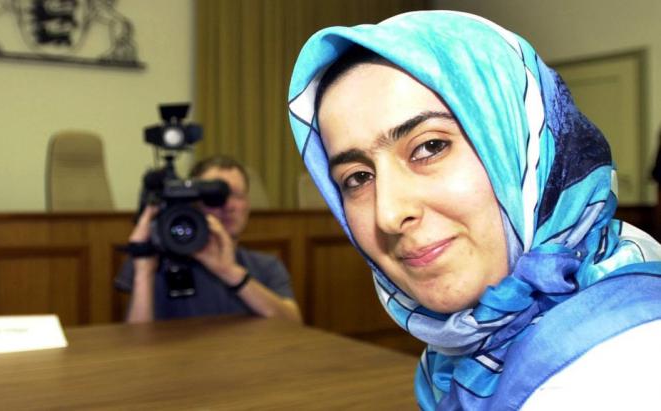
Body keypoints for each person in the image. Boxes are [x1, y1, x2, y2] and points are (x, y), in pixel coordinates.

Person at [288, 11, 661, 410]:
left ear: (523, 149)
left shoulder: (623, 366)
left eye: (430, 147)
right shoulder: (468, 350)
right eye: (358, 178)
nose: (388, 214)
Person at [116, 155, 301, 324]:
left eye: (237, 195)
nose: (228, 205)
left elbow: (293, 324)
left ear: (248, 205)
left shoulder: (265, 266)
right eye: (214, 197)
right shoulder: (157, 266)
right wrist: (144, 272)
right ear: (192, 204)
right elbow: (137, 343)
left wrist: (230, 272)